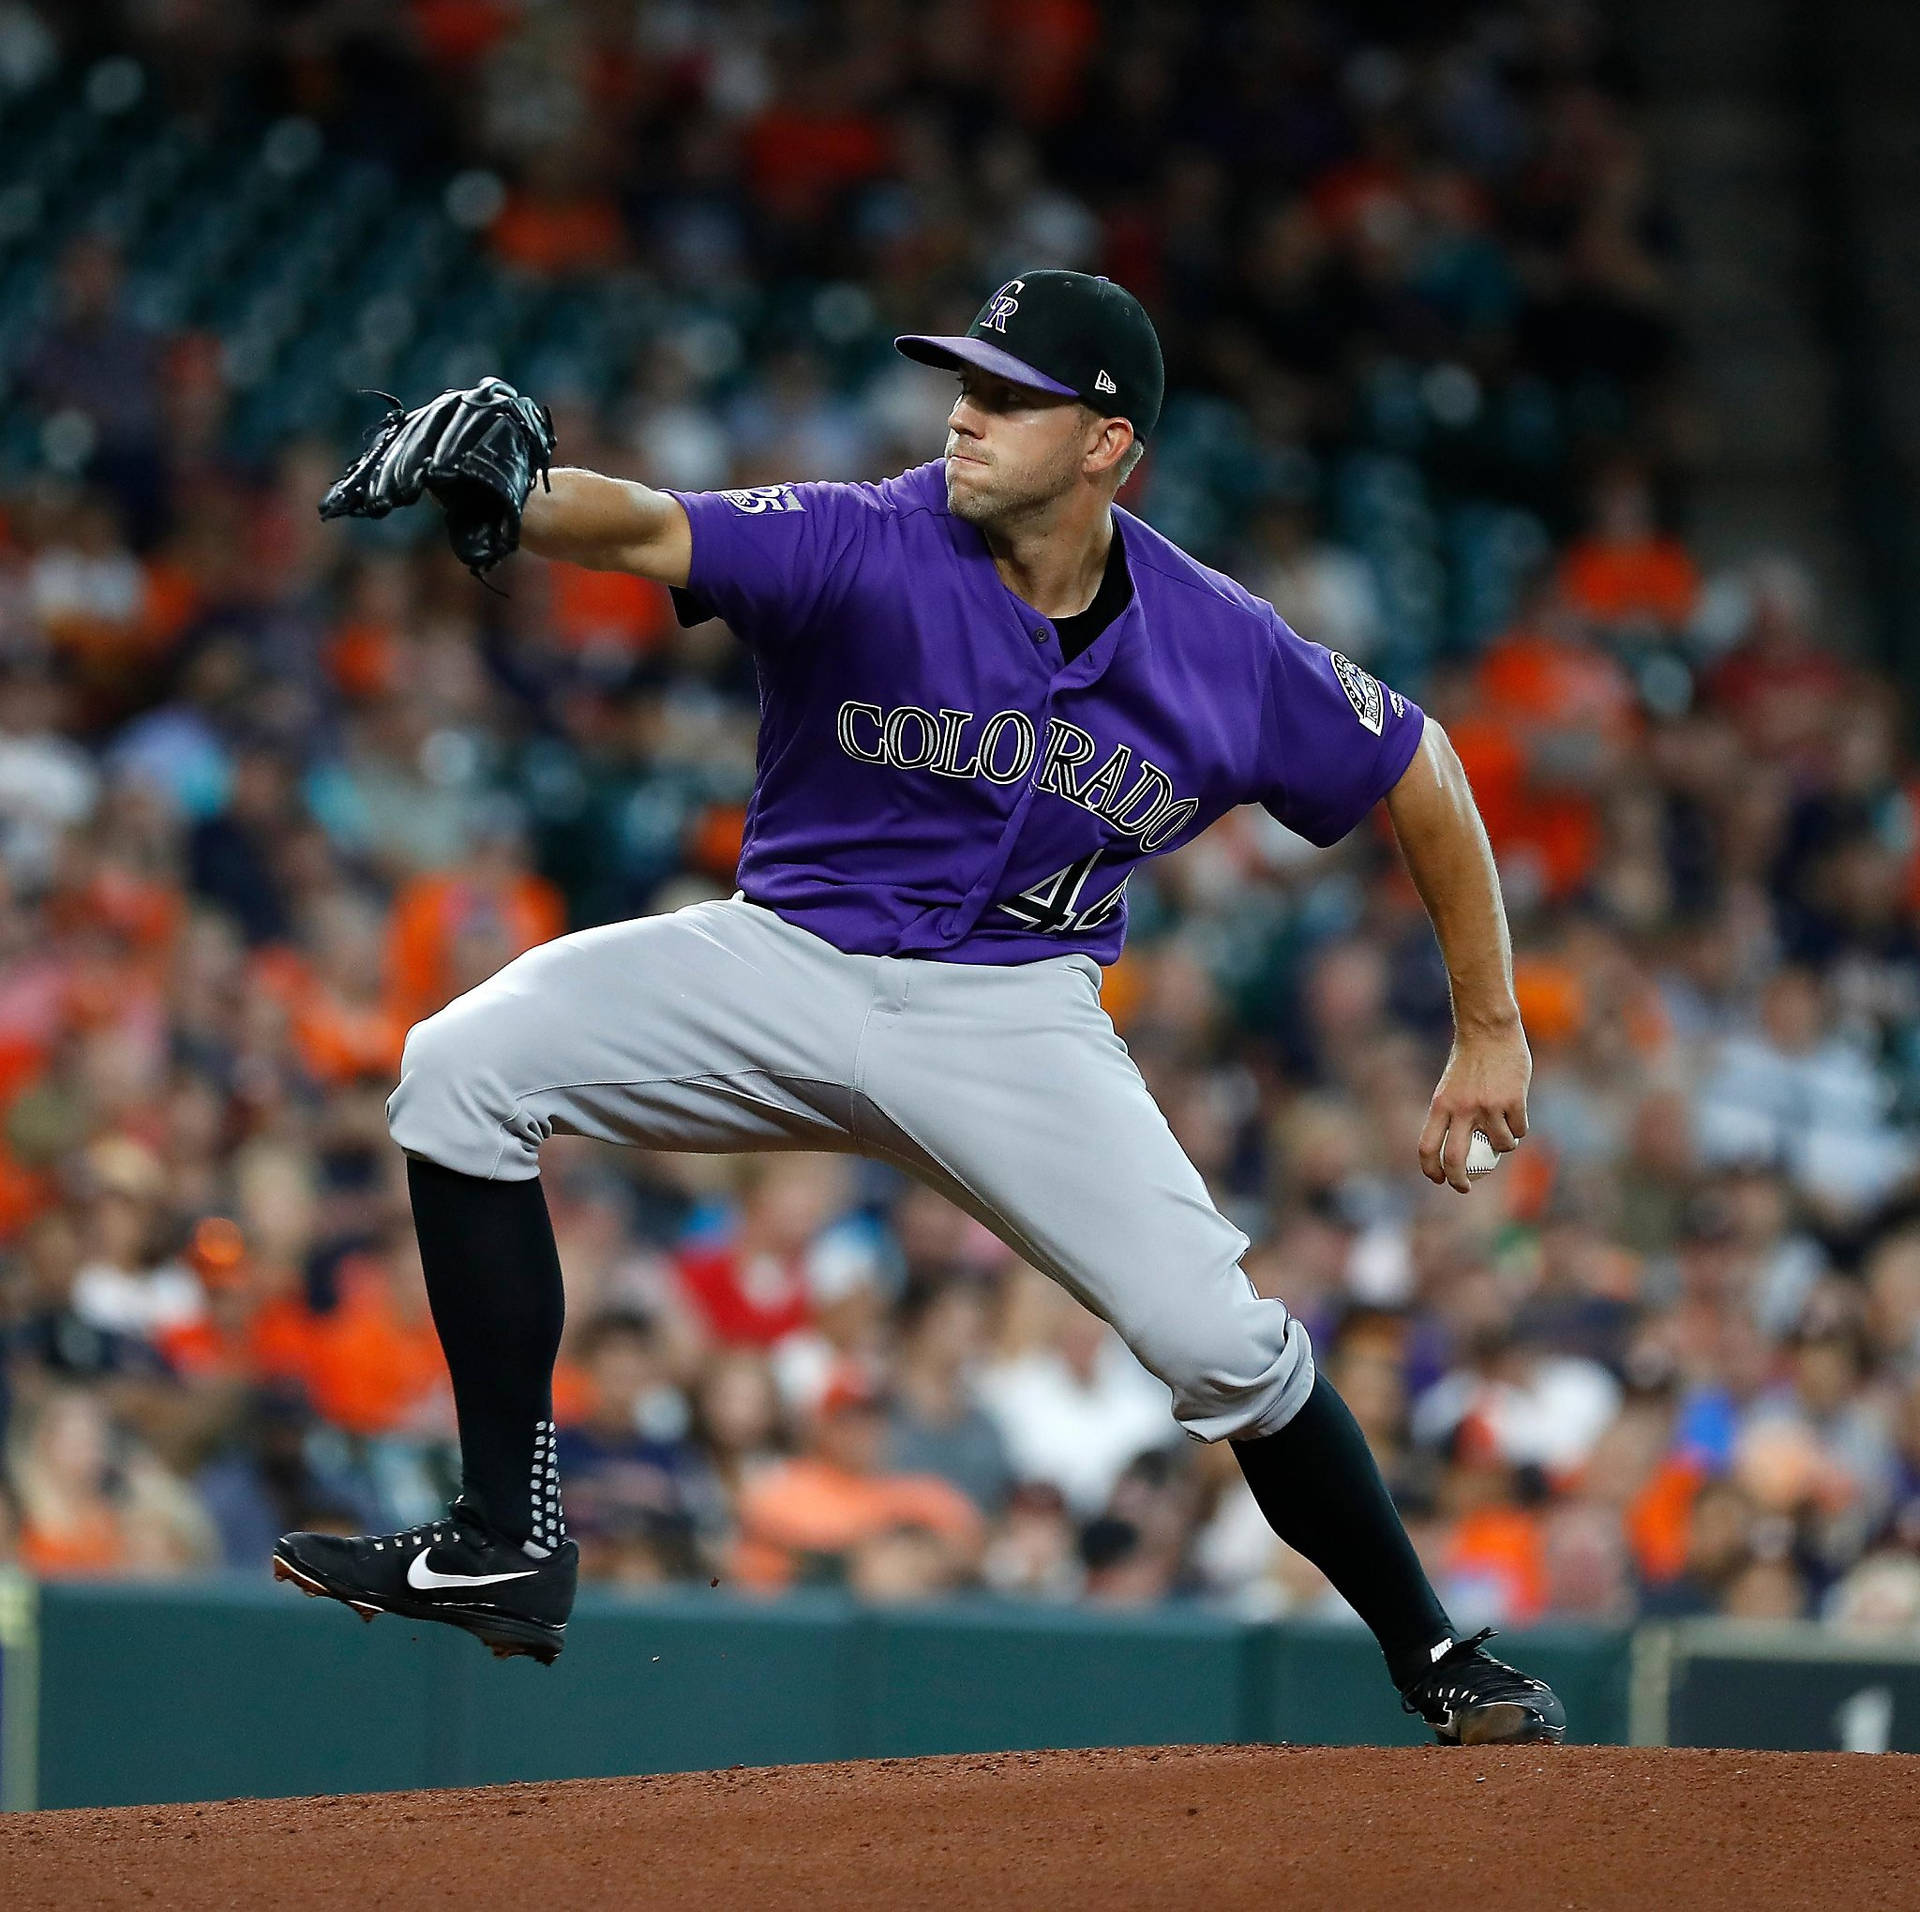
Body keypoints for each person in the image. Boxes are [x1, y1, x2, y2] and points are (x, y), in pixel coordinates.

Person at [275, 270, 1563, 1744]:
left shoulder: (1219, 641)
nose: (965, 412)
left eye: (1009, 394)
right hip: (786, 963)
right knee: (459, 1066)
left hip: (1013, 1015)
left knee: (1218, 1343)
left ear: (1104, 443)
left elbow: (1421, 764)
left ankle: (1435, 1658)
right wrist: (527, 486)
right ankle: (506, 1535)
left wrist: (1490, 1023)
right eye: (964, 381)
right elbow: (649, 526)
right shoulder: (868, 537)